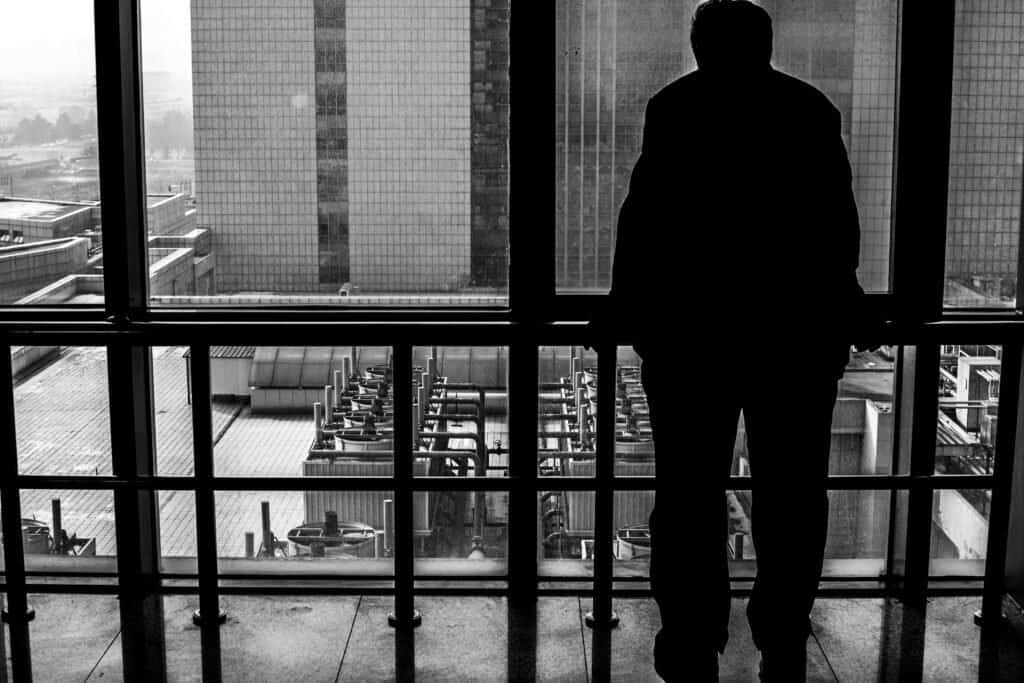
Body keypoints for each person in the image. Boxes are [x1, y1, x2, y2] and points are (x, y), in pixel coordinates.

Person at [604, 1, 867, 680]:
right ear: (766, 43)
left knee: (689, 492)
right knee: (792, 491)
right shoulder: (809, 109)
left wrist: (625, 306)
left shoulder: (676, 109)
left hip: (693, 336)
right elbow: (835, 224)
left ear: (699, 47)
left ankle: (693, 631)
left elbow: (646, 217)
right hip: (794, 337)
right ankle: (781, 625)